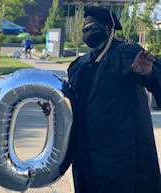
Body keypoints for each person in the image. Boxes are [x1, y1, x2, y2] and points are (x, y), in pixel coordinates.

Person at [63, 6, 161, 192]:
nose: (89, 31)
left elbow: (154, 73)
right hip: (86, 151)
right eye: (86, 29)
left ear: (110, 29)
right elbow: (71, 101)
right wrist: (55, 106)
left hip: (119, 153)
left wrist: (148, 74)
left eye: (95, 27)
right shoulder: (80, 65)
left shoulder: (126, 53)